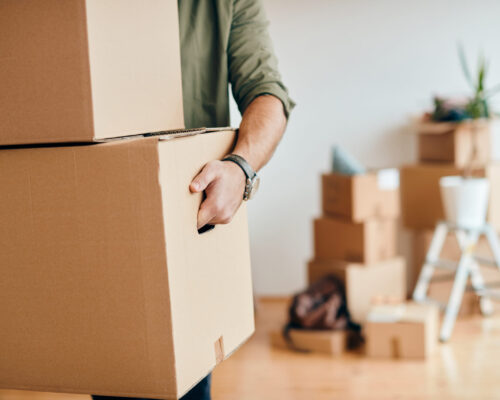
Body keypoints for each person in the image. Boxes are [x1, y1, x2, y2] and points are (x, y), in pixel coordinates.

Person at [92, 0, 293, 399]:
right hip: (98, 216)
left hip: (186, 224)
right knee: (109, 380)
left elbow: (268, 95)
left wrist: (241, 167)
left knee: (184, 384)